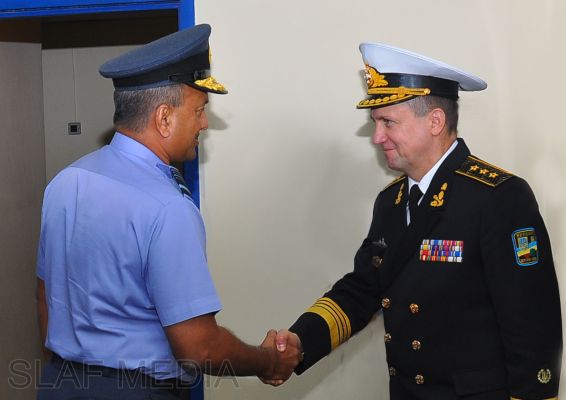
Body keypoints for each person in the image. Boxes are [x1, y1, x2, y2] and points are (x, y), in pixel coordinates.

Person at [275, 42, 562, 400]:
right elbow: (363, 289)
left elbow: (532, 326)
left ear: (435, 121)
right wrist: (301, 340)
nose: (377, 137)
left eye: (388, 122)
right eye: (375, 123)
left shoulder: (498, 198)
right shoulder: (391, 202)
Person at [35, 24, 300, 400]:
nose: (204, 124)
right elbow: (199, 347)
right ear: (164, 118)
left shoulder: (65, 182)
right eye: (199, 111)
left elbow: (45, 295)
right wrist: (266, 361)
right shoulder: (168, 207)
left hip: (59, 384)